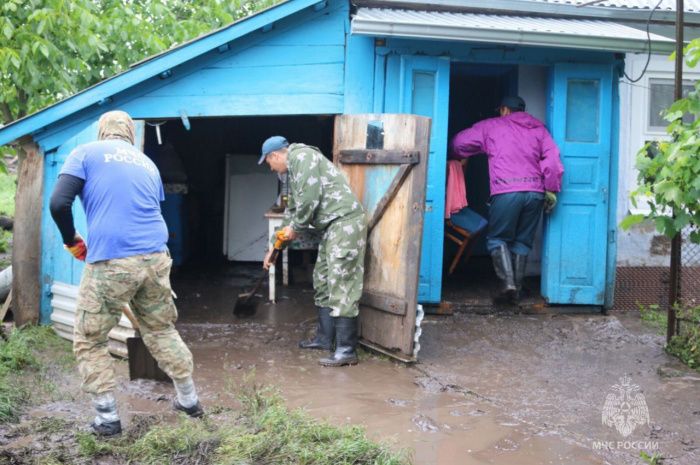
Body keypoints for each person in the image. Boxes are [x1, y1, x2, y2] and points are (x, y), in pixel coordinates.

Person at [49, 111, 203, 437]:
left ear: (103, 131)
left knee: (91, 339)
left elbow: (59, 204)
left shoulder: (85, 153)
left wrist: (71, 240)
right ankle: (189, 400)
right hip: (156, 257)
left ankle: (107, 419)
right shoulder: (148, 164)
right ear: (130, 134)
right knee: (161, 329)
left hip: (113, 260)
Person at [259, 136, 367, 367]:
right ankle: (325, 339)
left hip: (345, 224)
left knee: (341, 283)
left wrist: (296, 228)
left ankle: (347, 350)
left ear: (275, 155)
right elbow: (294, 209)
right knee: (323, 280)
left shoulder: (303, 156)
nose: (270, 168)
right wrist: (274, 248)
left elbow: (310, 199)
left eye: (268, 163)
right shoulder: (295, 171)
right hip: (331, 229)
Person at [451, 96, 564, 303]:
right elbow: (553, 162)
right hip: (535, 192)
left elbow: (459, 143)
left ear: (504, 110)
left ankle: (508, 285)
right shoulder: (540, 130)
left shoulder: (491, 127)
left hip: (506, 191)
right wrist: (551, 188)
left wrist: (475, 149)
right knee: (522, 241)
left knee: (497, 238)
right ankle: (517, 290)